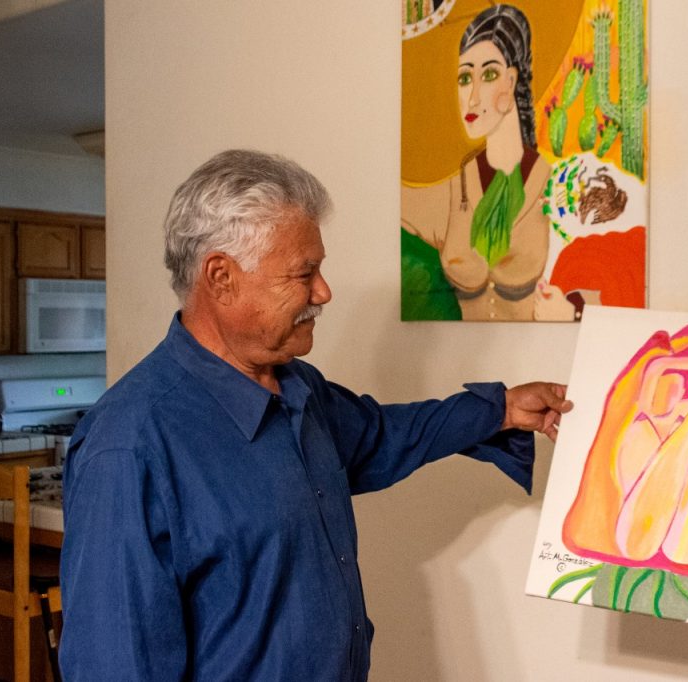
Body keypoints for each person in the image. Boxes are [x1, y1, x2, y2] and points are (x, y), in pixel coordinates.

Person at [59, 149, 572, 680]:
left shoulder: (297, 387)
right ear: (221, 277)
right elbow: (113, 664)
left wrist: (502, 409)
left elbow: (381, 436)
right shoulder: (128, 448)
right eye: (304, 273)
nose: (323, 292)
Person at [401, 4, 553, 321]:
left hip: (544, 357)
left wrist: (575, 306)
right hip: (459, 360)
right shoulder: (456, 187)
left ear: (512, 80)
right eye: (465, 77)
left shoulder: (556, 184)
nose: (472, 98)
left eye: (489, 74)